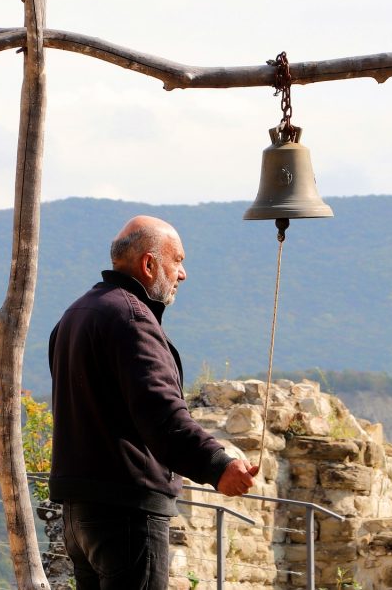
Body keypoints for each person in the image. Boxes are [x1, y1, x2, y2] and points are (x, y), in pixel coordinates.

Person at [48, 215, 258, 590]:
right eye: (177, 260)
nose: (183, 274)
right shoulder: (132, 320)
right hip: (126, 514)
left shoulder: (74, 315)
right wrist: (217, 465)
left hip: (79, 514)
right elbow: (162, 415)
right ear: (149, 264)